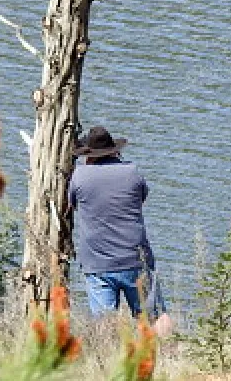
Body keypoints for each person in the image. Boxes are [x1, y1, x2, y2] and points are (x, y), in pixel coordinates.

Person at [67, 126, 169, 329]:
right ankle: (169, 356)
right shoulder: (132, 172)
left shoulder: (79, 176)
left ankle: (110, 359)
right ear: (115, 151)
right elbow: (141, 200)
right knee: (155, 317)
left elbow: (72, 205)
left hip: (98, 265)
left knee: (105, 325)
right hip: (136, 259)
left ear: (89, 156)